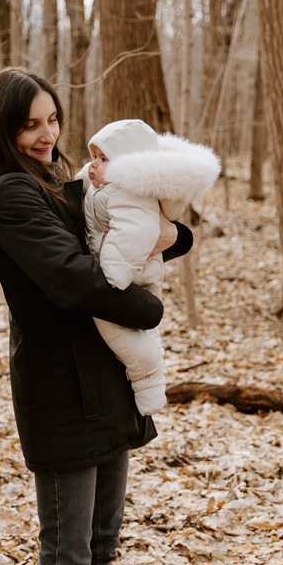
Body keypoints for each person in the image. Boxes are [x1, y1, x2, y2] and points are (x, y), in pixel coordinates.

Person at [0, 69, 192, 565]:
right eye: (29, 123)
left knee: (97, 546)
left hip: (101, 384)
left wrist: (170, 235)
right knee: (63, 558)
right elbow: (71, 279)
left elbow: (130, 225)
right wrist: (150, 310)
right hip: (58, 389)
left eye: (52, 119)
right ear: (1, 127)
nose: (45, 134)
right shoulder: (7, 192)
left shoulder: (55, 182)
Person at [76, 119, 220, 415]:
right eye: (94, 157)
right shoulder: (105, 187)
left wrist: (112, 275)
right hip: (132, 270)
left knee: (115, 329)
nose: (94, 165)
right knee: (142, 332)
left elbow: (135, 231)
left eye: (104, 159)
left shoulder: (128, 191)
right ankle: (151, 382)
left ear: (126, 165)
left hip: (130, 273)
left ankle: (149, 380)